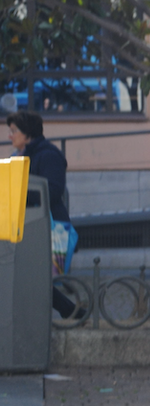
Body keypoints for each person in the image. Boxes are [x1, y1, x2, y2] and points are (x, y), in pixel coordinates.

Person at [6, 110, 83, 319]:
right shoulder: (18, 157)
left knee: (32, 276)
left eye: (14, 131)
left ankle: (69, 311)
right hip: (25, 225)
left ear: (28, 133)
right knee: (29, 276)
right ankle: (70, 311)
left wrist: (20, 190)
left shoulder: (48, 155)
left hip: (46, 226)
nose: (9, 136)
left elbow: (54, 190)